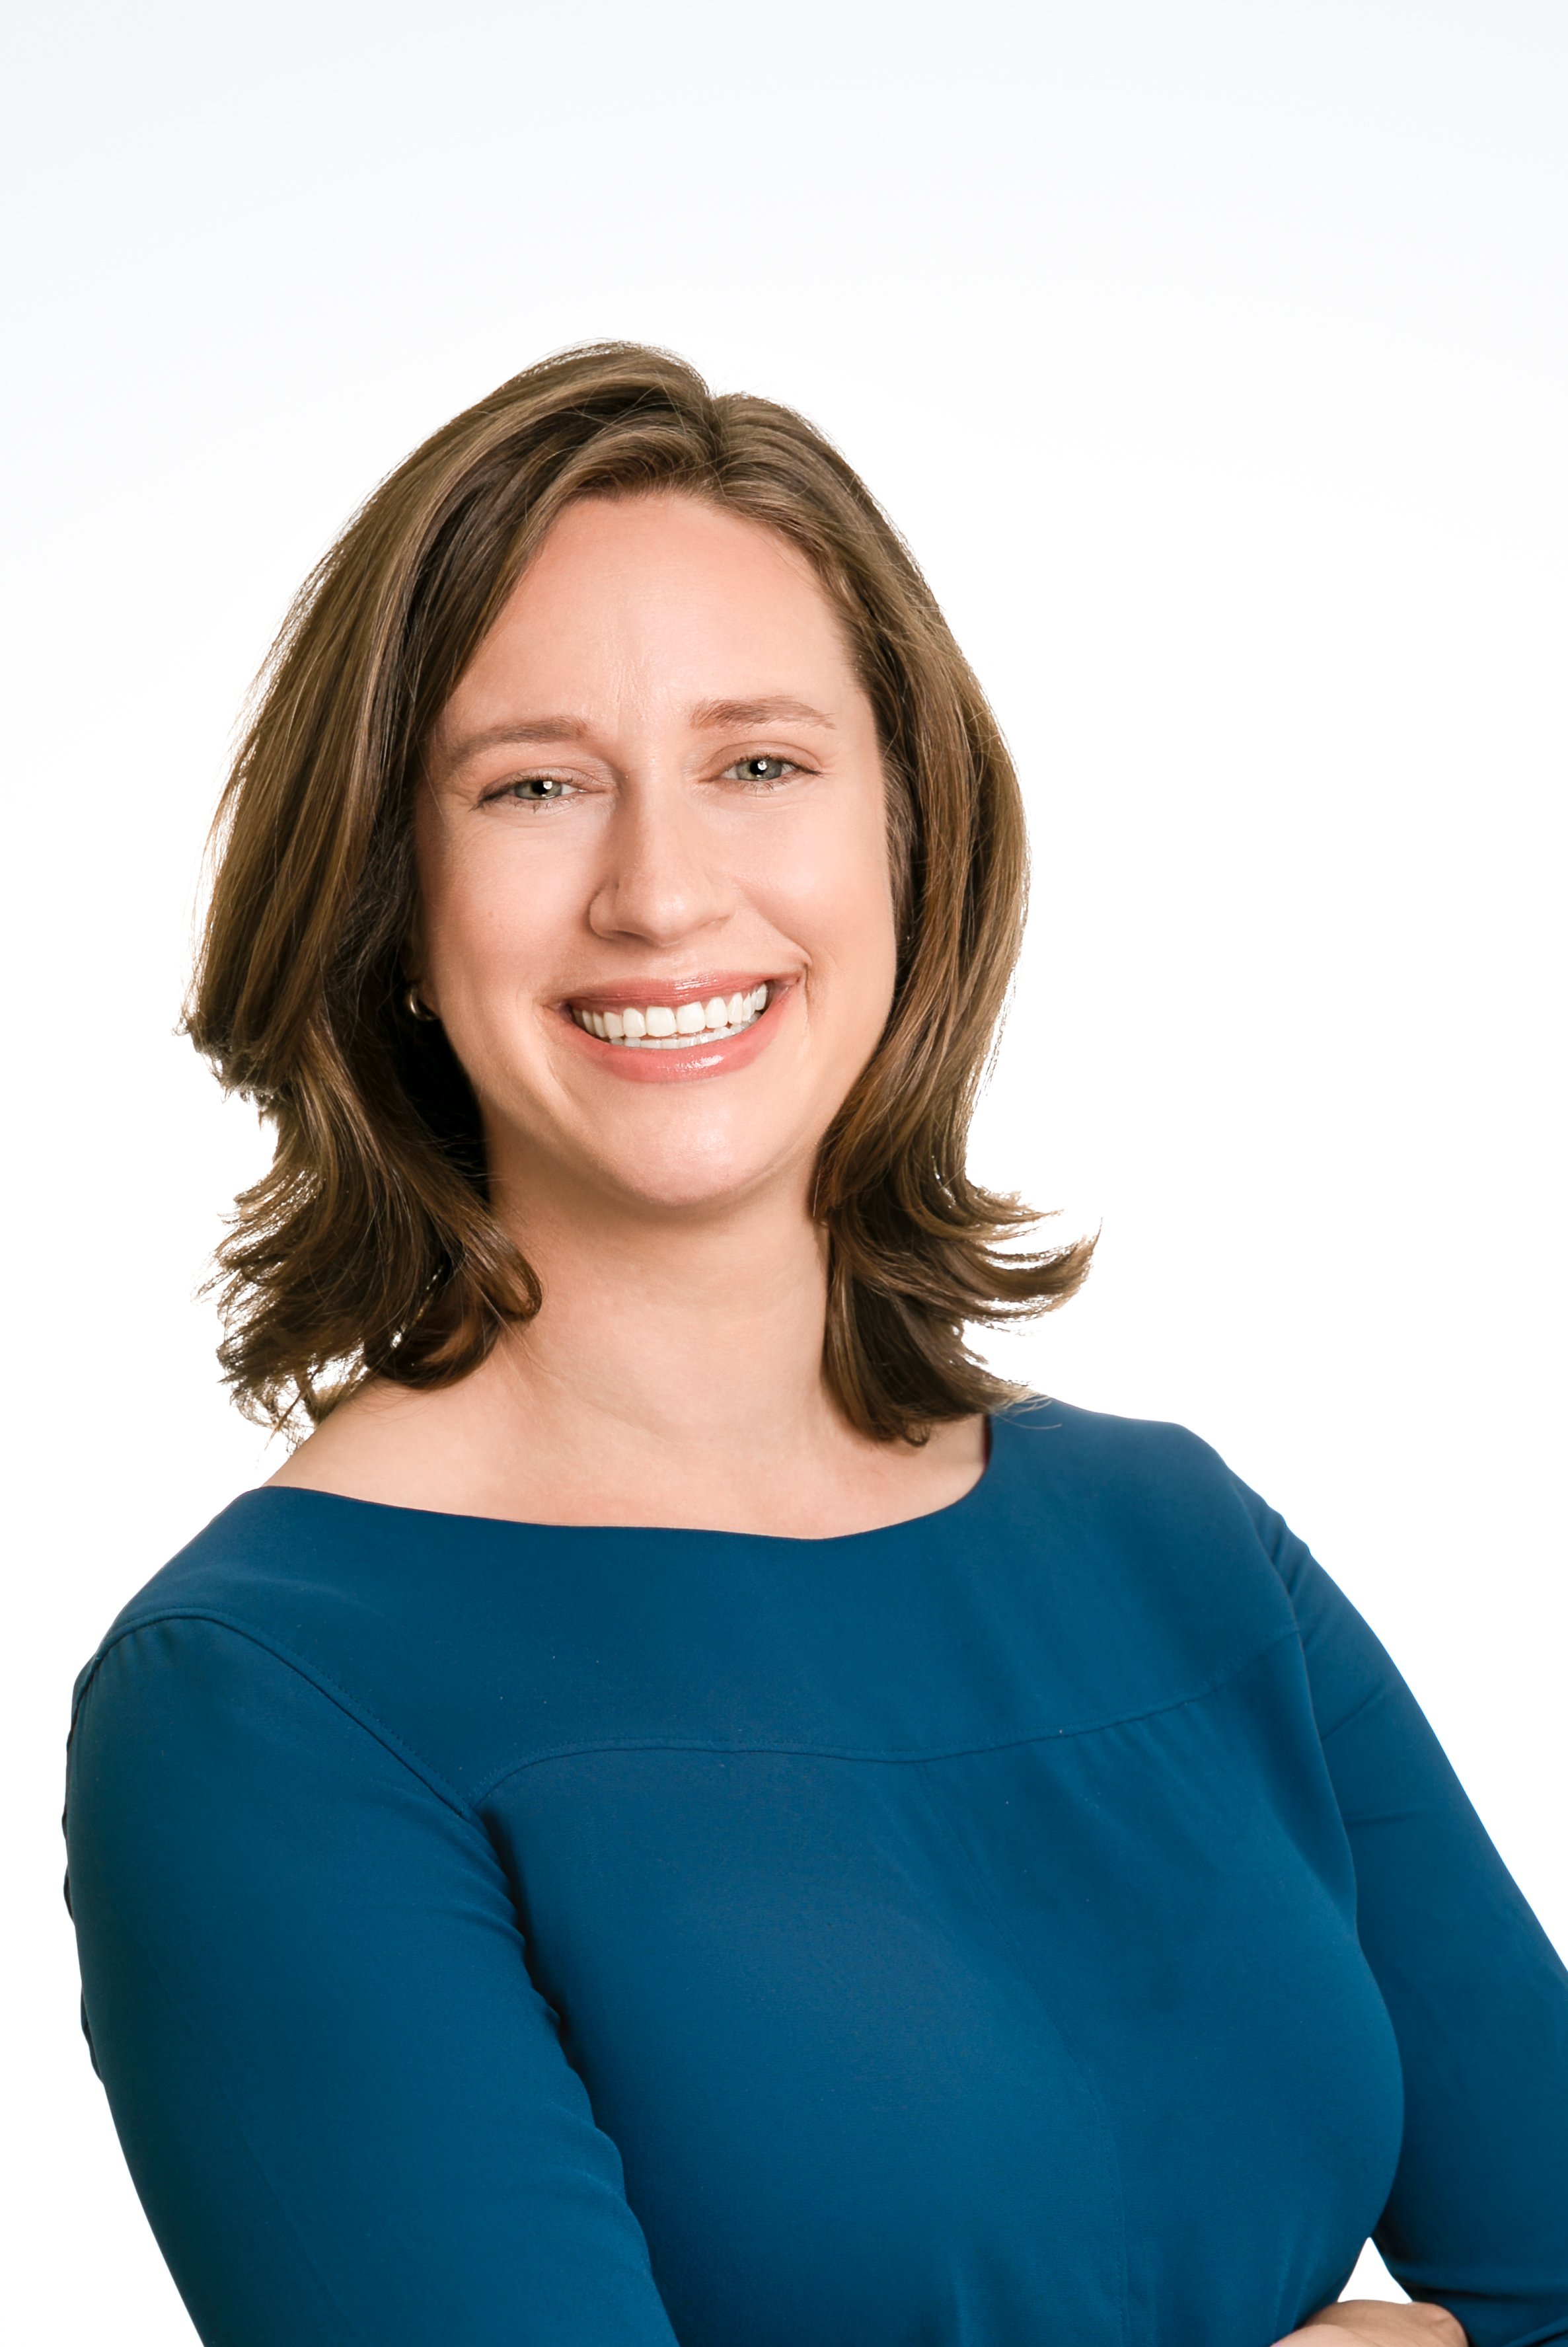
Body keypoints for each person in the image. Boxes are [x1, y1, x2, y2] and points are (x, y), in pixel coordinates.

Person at [65, 344, 1568, 2347]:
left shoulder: (1181, 1544)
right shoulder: (263, 1706)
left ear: (908, 836)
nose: (662, 889)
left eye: (760, 763)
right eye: (532, 785)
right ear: (386, 901)